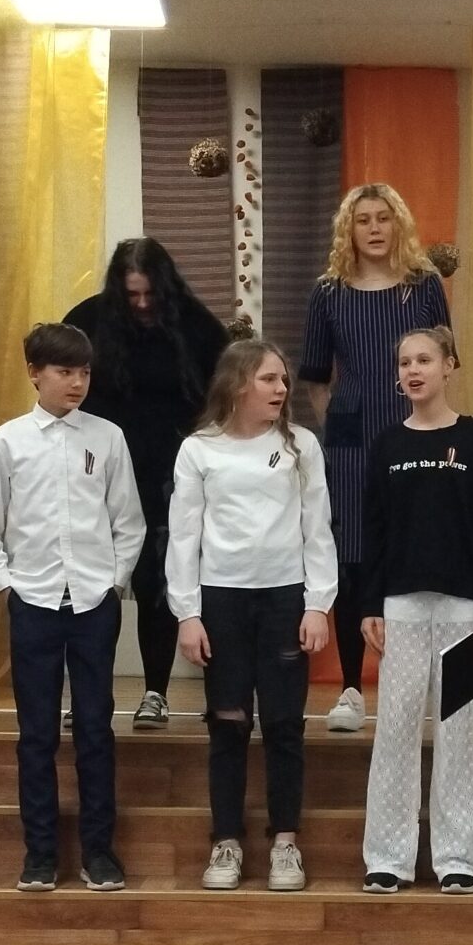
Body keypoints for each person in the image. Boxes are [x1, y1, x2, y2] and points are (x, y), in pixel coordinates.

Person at [0, 323, 143, 894]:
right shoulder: (7, 442)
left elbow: (129, 521)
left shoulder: (108, 437)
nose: (77, 382)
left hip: (93, 602)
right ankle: (40, 854)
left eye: (84, 372)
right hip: (34, 601)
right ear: (34, 374)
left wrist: (114, 583)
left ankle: (99, 852)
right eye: (64, 371)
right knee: (36, 733)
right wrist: (8, 586)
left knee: (95, 729)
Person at [166, 340, 337, 892]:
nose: (282, 389)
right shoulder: (199, 450)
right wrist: (188, 613)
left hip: (285, 600)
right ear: (238, 384)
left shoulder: (301, 445)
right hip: (223, 602)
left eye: (284, 379)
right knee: (228, 723)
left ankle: (285, 842)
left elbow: (317, 527)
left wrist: (317, 604)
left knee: (284, 724)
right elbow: (183, 535)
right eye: (269, 379)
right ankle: (226, 842)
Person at [359, 327, 473, 895]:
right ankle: (388, 857)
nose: (413, 370)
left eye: (424, 359)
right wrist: (370, 603)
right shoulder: (387, 445)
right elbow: (373, 531)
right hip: (399, 605)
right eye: (405, 362)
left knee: (458, 733)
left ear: (449, 364)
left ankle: (457, 858)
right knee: (394, 729)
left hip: (467, 609)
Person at [299, 183, 452, 732]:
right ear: (350, 229)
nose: (374, 229)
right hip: (350, 436)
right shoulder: (328, 292)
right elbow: (316, 376)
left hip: (415, 430)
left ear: (398, 224)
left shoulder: (424, 286)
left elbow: (443, 361)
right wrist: (339, 423)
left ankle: (415, 684)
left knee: (413, 544)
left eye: (383, 218)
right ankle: (349, 687)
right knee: (353, 554)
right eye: (363, 220)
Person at [65, 239, 228, 729]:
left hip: (171, 474)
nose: (140, 304)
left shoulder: (198, 326)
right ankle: (90, 693)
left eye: (149, 295)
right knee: (96, 585)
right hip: (99, 471)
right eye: (131, 295)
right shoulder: (88, 320)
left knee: (157, 581)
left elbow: (221, 399)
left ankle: (156, 692)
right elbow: (63, 386)